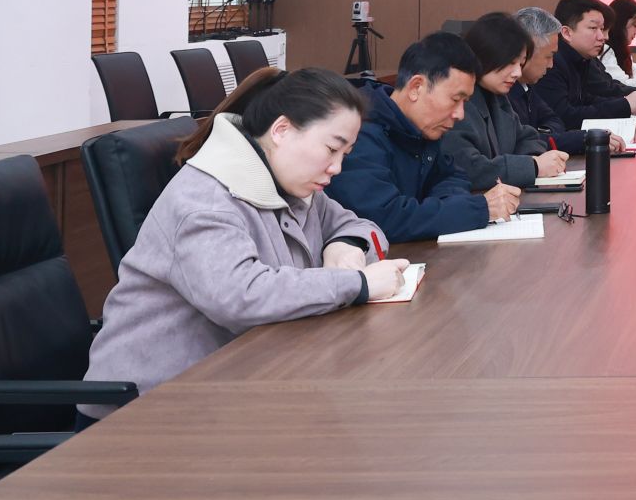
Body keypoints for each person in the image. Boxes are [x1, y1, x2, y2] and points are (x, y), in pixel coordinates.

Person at [82, 68, 407, 417]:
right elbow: (240, 296)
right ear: (281, 131)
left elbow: (363, 227)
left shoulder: (294, 184)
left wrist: (345, 244)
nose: (337, 168)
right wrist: (356, 283)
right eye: (331, 149)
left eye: (345, 154)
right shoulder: (205, 199)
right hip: (144, 410)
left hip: (234, 383)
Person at [327, 32, 520, 240]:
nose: (460, 114)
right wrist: (478, 209)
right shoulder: (360, 133)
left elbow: (453, 176)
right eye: (455, 99)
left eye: (465, 102)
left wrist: (443, 208)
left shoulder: (423, 129)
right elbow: (383, 218)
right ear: (416, 87)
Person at [449, 13, 572, 191]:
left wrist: (533, 160)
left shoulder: (497, 96)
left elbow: (527, 137)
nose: (517, 73)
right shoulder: (457, 104)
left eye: (520, 64)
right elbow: (470, 169)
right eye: (511, 63)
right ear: (486, 54)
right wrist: (533, 166)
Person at [537, 0, 636, 127]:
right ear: (567, 33)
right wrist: (624, 105)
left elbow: (586, 100)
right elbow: (565, 116)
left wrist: (625, 104)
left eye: (602, 29)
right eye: (593, 28)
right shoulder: (552, 62)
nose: (602, 37)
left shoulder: (581, 59)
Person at [601, 0, 636, 92]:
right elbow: (623, 85)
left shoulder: (623, 51)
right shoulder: (604, 50)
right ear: (620, 24)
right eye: (634, 25)